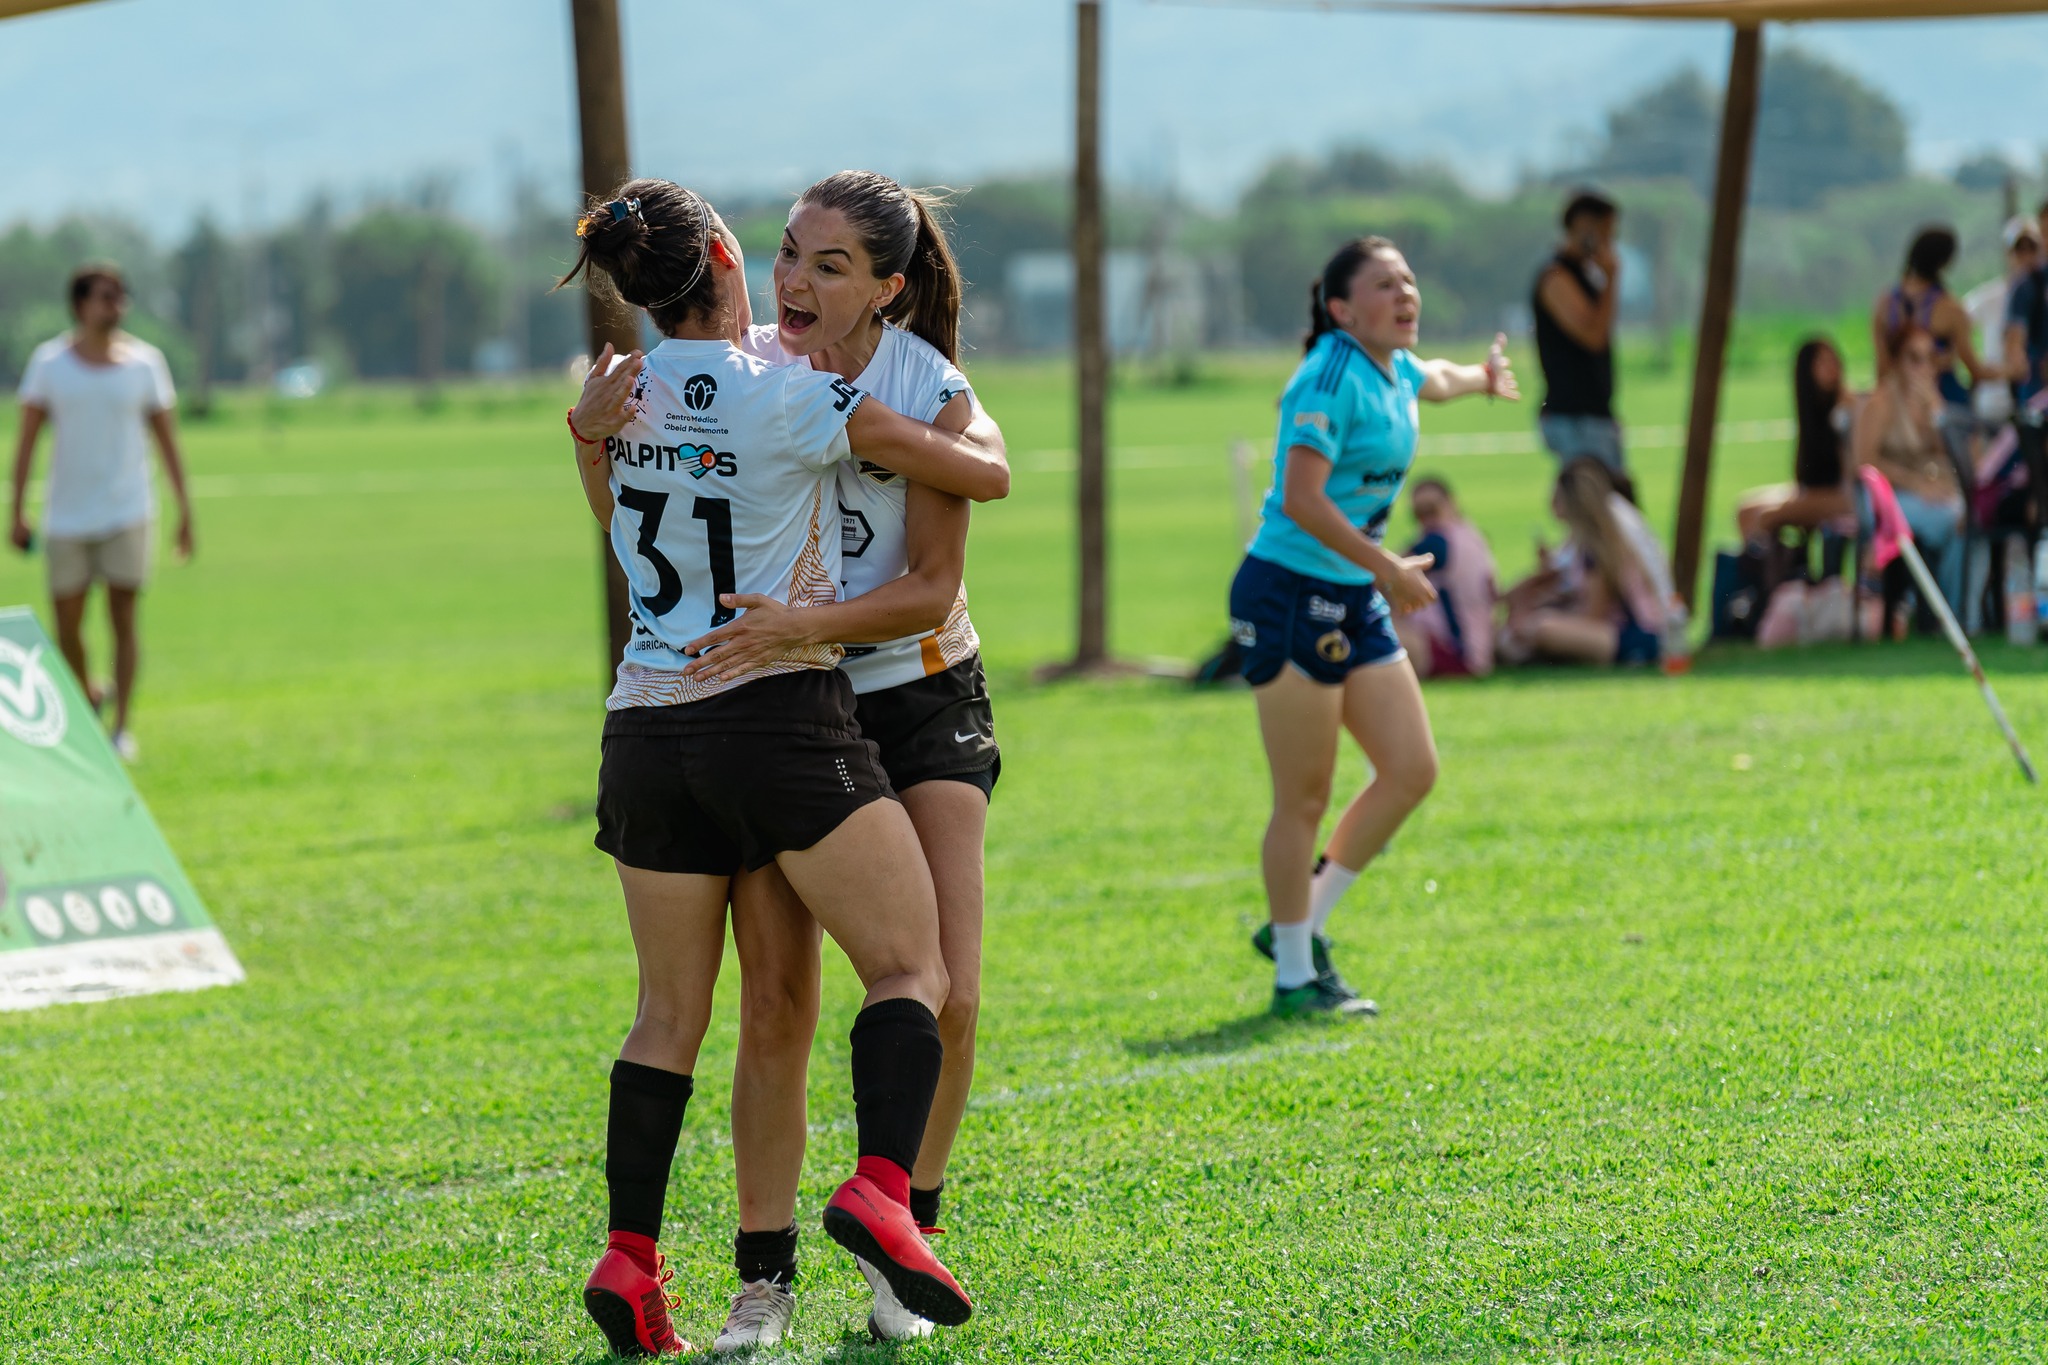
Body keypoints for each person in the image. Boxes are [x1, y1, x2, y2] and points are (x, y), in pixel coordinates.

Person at [557, 177, 1009, 1359]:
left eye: (829, 263)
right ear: (733, 257)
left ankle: (903, 1222)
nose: (798, 281)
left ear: (887, 288)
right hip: (778, 711)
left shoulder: (911, 378)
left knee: (942, 990)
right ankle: (766, 1279)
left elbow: (944, 556)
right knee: (780, 1004)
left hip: (889, 689)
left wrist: (591, 432)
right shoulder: (771, 376)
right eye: (787, 255)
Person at [1232, 235, 1517, 1017]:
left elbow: (1443, 378)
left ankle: (1303, 923)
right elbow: (1301, 498)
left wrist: (1485, 379)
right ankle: (1295, 977)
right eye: (1386, 285)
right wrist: (1387, 564)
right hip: (1288, 593)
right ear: (1341, 309)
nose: (1406, 295)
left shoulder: (1397, 369)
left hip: (1352, 591)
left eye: (1410, 282)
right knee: (1304, 795)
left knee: (1412, 768)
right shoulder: (1325, 377)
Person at [8, 264, 194, 762]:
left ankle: (121, 726)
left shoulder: (145, 364)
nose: (116, 306)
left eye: (121, 297)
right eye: (105, 297)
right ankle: (88, 692)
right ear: (79, 306)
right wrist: (17, 509)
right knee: (67, 623)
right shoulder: (49, 364)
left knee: (124, 616)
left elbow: (166, 438)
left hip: (129, 509)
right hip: (67, 514)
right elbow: (26, 439)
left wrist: (185, 508)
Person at [1499, 458, 1677, 668]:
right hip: (1616, 632)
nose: (1551, 503)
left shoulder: (1599, 552)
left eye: (1557, 497)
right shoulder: (1589, 542)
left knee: (1542, 629)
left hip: (1639, 636)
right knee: (1520, 632)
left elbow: (1592, 616)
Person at [1856, 324, 1966, 618]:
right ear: (1896, 362)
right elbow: (1865, 463)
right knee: (1954, 519)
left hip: (1928, 493)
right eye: (1914, 358)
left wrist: (1937, 417)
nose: (1924, 367)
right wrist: (1916, 483)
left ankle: (1958, 610)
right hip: (1884, 498)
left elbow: (1954, 457)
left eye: (1930, 358)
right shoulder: (1880, 404)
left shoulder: (1931, 402)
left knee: (1969, 517)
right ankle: (1948, 612)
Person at [1871, 226, 1995, 454]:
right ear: (1943, 262)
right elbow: (1974, 369)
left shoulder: (1884, 304)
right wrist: (2009, 372)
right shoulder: (1950, 308)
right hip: (1944, 398)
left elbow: (1881, 368)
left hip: (1899, 400)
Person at [1532, 189, 1624, 473]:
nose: (1611, 241)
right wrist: (1612, 278)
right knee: (1593, 509)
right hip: (1574, 418)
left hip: (1592, 416)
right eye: (1606, 232)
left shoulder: (1585, 274)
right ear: (1585, 227)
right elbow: (1593, 337)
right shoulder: (1557, 276)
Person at [1734, 338, 1857, 544]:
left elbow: (1851, 472)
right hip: (1812, 489)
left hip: (1841, 494)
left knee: (1767, 517)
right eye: (1822, 362)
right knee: (1745, 511)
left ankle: (1774, 572)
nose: (1832, 367)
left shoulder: (1847, 406)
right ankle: (1769, 569)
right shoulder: (1811, 409)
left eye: (1833, 360)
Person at [1392, 476, 1498, 679]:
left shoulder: (1438, 542)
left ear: (1451, 503)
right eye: (1419, 513)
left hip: (1455, 652)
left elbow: (1385, 570)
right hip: (1476, 650)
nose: (1426, 518)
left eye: (1431, 509)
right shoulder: (1474, 537)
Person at [1965, 216, 2040, 427]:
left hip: (2032, 402)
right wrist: (1979, 369)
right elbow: (1959, 325)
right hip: (1995, 404)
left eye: (2031, 249)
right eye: (2019, 250)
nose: (2025, 257)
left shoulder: (2041, 298)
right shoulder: (1989, 297)